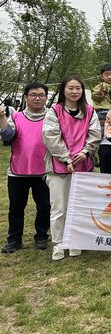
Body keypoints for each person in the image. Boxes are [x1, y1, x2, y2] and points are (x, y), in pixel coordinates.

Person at [42, 75, 101, 261]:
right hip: (59, 166)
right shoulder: (54, 111)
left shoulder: (89, 111)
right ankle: (58, 243)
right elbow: (51, 137)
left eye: (78, 88)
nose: (75, 92)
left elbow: (95, 134)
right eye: (71, 88)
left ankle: (75, 239)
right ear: (63, 90)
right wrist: (66, 158)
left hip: (83, 165)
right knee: (59, 207)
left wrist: (85, 151)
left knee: (79, 206)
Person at [0, 82, 50, 253]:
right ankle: (14, 240)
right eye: (33, 95)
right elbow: (8, 136)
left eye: (41, 95)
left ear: (46, 98)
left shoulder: (52, 117)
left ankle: (41, 237)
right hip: (18, 170)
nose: (37, 98)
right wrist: (2, 118)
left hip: (44, 169)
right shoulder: (16, 116)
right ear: (26, 97)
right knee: (16, 207)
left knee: (44, 206)